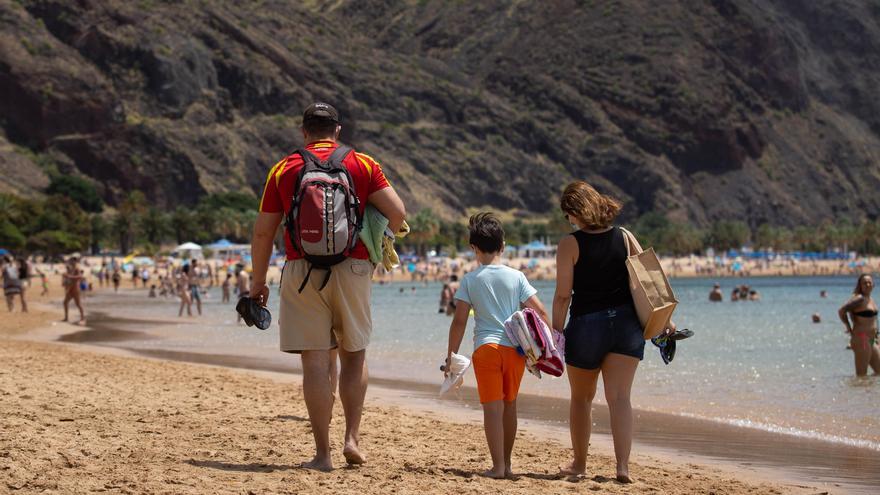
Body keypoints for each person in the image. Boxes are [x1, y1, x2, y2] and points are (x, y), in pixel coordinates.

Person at [249, 102, 405, 471]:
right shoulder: (363, 164)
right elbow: (398, 215)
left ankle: (323, 454)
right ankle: (352, 437)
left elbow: (263, 231)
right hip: (352, 267)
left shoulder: (284, 169)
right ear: (337, 130)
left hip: (301, 271)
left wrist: (258, 282)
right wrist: (375, 238)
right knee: (355, 355)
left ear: (304, 132)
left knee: (315, 364)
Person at [553, 181, 673, 483]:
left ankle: (579, 465)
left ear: (573, 212)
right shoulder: (625, 236)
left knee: (581, 399)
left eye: (568, 215)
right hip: (625, 324)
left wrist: (556, 333)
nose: (568, 221)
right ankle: (622, 467)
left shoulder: (570, 244)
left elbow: (563, 295)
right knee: (620, 398)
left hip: (586, 325)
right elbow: (651, 281)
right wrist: (666, 319)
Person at [445, 213, 549, 479]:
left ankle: (498, 466)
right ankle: (509, 464)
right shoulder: (517, 277)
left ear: (473, 248)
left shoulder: (470, 280)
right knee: (510, 406)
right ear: (503, 245)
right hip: (515, 350)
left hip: (486, 350)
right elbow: (540, 311)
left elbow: (459, 322)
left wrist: (451, 356)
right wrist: (550, 344)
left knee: (492, 409)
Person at [838, 274, 880, 376]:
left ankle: (868, 391)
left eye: (869, 282)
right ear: (860, 285)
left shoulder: (870, 299)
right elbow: (842, 310)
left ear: (873, 285)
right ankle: (856, 390)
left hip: (871, 340)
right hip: (862, 339)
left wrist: (877, 336)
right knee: (861, 375)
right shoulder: (859, 299)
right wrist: (848, 326)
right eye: (864, 283)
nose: (867, 284)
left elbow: (873, 320)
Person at [62, 258, 85, 324]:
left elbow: (80, 276)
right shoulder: (70, 269)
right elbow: (68, 279)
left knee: (78, 304)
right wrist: (65, 281)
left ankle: (82, 318)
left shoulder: (77, 269)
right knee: (65, 302)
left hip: (76, 289)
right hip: (70, 288)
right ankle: (66, 317)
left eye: (72, 261)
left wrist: (69, 276)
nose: (71, 262)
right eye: (70, 261)